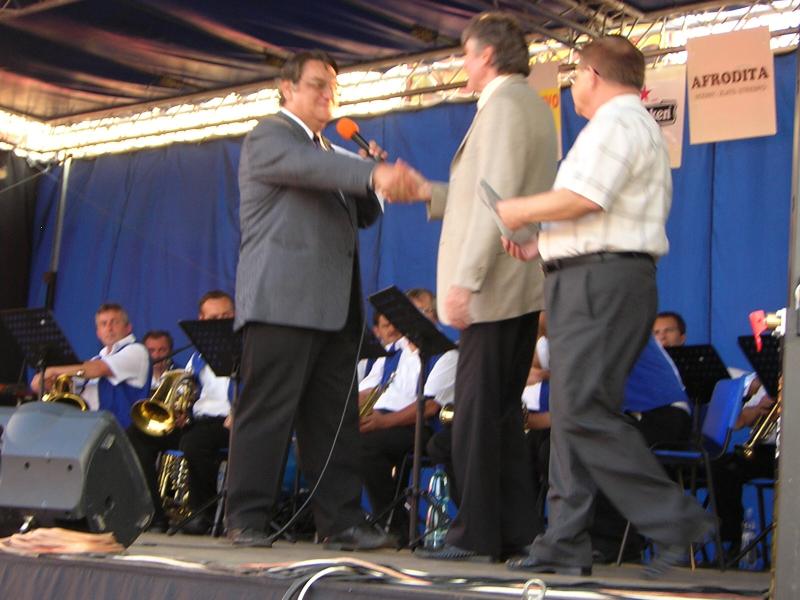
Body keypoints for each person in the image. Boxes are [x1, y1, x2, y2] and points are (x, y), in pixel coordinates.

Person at [496, 35, 712, 578]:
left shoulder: (616, 123)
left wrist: (518, 208)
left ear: (592, 74)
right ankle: (565, 538)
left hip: (600, 281)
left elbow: (586, 198)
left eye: (575, 75)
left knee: (583, 411)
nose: (573, 85)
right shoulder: (625, 124)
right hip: (596, 275)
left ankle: (675, 520)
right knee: (575, 412)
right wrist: (542, 243)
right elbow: (597, 213)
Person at [226, 49, 421, 548]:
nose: (328, 94)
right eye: (317, 84)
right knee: (268, 411)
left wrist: (371, 176)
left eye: (333, 86)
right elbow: (307, 167)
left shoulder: (332, 153)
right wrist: (369, 174)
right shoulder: (271, 135)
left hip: (334, 308)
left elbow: (361, 215)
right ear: (287, 88)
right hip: (282, 301)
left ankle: (341, 522)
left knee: (334, 420)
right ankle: (246, 517)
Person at [395, 12, 558, 562]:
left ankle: (474, 535)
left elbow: (500, 198)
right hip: (513, 284)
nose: (462, 64)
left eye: (466, 54)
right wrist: (431, 194)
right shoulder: (524, 104)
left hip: (495, 285)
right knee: (499, 414)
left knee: (473, 416)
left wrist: (466, 281)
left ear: (487, 55)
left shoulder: (505, 105)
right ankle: (514, 531)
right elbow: (486, 192)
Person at [128, 290, 235, 534]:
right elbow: (190, 390)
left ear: (235, 315)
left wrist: (239, 410)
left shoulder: (246, 349)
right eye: (213, 318)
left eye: (225, 316)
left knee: (195, 442)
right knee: (137, 435)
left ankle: (205, 514)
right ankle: (154, 515)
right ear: (202, 319)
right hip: (198, 422)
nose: (219, 322)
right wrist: (180, 412)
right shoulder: (197, 355)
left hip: (230, 422)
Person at [357, 288, 457, 544]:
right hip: (381, 420)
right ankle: (344, 522)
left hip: (418, 426)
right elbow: (369, 390)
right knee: (340, 440)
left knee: (367, 446)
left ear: (434, 315)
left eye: (422, 311)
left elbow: (430, 407)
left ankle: (393, 525)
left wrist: (383, 422)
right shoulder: (394, 350)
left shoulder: (446, 354)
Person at [31, 303, 150, 429]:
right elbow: (72, 384)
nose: (109, 328)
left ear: (128, 328)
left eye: (115, 322)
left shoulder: (137, 351)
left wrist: (51, 371)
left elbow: (99, 369)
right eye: (103, 324)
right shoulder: (96, 359)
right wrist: (46, 384)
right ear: (98, 333)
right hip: (89, 428)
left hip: (118, 431)